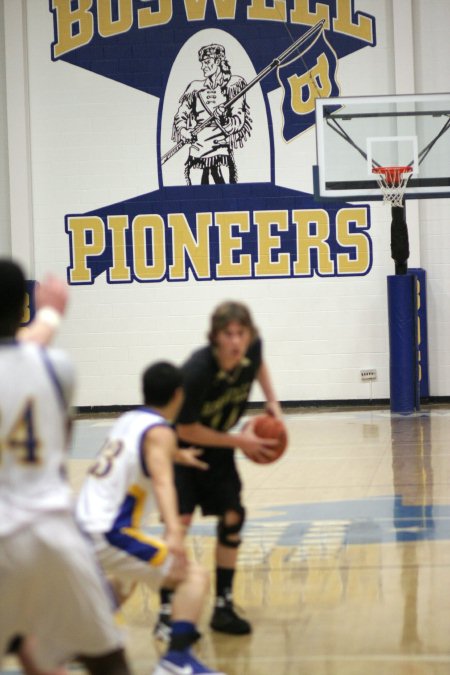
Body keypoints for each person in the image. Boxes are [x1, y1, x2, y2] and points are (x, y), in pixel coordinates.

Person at [0, 258, 132, 675]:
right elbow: (27, 350)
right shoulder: (58, 368)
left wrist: (52, 318)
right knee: (109, 663)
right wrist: (53, 312)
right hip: (52, 534)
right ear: (21, 307)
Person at [76, 361, 225, 675]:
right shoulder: (160, 432)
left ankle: (82, 639)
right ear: (178, 394)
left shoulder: (129, 419)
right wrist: (173, 531)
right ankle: (177, 660)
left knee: (125, 583)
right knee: (192, 576)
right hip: (109, 531)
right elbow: (162, 480)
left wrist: (178, 453)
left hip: (80, 526)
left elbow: (144, 450)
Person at [155, 301, 283, 638]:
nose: (236, 341)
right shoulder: (197, 371)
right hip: (183, 451)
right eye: (229, 334)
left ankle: (223, 606)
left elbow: (258, 364)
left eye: (241, 333)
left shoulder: (251, 348)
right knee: (179, 525)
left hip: (220, 448)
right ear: (215, 337)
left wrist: (272, 400)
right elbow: (185, 430)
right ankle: (166, 610)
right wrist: (240, 443)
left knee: (232, 517)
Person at [172, 43, 252, 185]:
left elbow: (239, 120)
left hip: (220, 150)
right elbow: (181, 114)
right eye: (202, 63)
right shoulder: (195, 87)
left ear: (218, 62)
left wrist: (222, 118)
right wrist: (184, 131)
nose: (203, 66)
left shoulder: (234, 84)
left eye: (207, 62)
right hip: (197, 152)